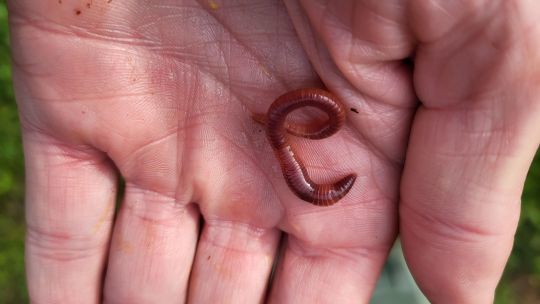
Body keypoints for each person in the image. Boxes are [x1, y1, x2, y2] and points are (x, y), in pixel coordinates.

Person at [8, 1, 540, 303]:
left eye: (328, 186)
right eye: (331, 185)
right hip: (333, 147)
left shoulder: (301, 135)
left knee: (367, 209)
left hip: (338, 147)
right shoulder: (295, 136)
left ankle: (381, 266)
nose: (326, 184)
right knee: (376, 206)